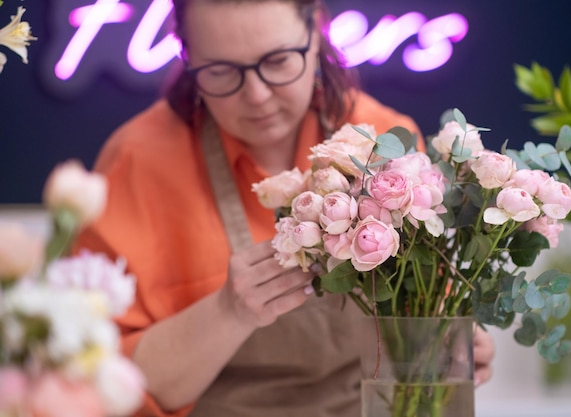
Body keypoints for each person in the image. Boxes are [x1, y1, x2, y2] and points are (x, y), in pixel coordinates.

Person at [76, 0, 495, 416]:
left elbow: (421, 322)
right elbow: (99, 382)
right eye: (221, 71)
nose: (256, 96)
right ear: (186, 56)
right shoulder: (137, 162)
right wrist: (228, 313)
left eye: (277, 61)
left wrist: (450, 340)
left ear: (316, 33)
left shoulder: (385, 143)